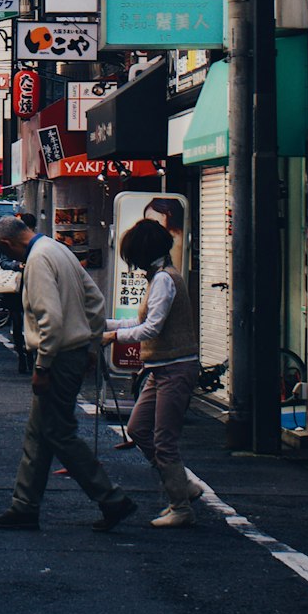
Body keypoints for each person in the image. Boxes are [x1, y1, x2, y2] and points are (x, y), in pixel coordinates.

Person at [0, 215, 136, 533]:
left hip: (57, 356)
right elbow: (95, 300)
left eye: (6, 252)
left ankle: (111, 498)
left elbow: (49, 318)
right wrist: (92, 346)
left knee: (58, 432)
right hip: (74, 351)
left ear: (8, 244)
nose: (10, 258)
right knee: (39, 433)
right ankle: (24, 505)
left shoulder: (37, 261)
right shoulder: (58, 249)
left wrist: (42, 366)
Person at [102, 216, 201, 528]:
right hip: (160, 370)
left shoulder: (164, 280)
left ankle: (181, 507)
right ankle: (182, 486)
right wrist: (104, 325)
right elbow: (139, 321)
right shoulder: (159, 276)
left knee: (163, 441)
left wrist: (112, 335)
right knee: (138, 429)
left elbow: (151, 328)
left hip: (175, 368)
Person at [6, 209, 37, 376]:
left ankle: (31, 357)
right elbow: (3, 262)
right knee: (18, 324)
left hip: (32, 289)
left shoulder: (39, 244)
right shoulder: (13, 242)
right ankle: (22, 357)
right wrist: (17, 266)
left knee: (32, 324)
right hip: (16, 290)